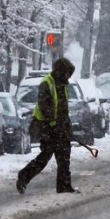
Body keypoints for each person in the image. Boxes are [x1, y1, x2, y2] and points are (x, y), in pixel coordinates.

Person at [16, 57, 80, 194]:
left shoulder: (63, 85)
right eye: (67, 73)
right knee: (45, 156)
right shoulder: (47, 83)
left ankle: (64, 185)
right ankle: (23, 176)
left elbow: (63, 108)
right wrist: (53, 124)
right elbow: (45, 107)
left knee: (64, 156)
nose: (69, 76)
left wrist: (66, 125)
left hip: (60, 127)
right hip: (46, 127)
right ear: (60, 71)